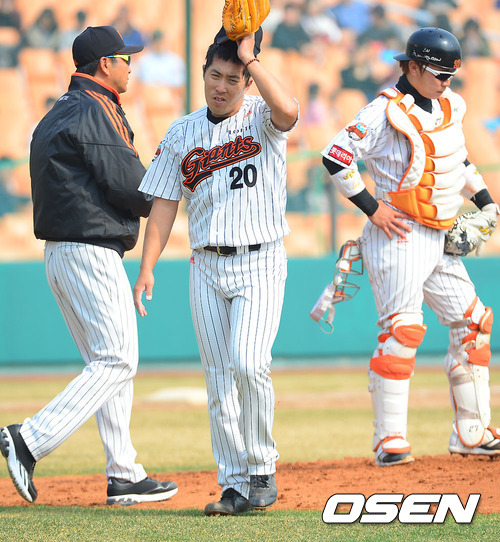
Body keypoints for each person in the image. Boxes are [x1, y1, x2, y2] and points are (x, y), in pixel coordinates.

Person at [0, 25, 178, 506]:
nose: (130, 66)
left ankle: (124, 474)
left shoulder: (60, 109)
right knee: (118, 360)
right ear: (105, 64)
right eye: (125, 58)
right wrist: (171, 186)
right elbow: (132, 187)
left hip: (64, 252)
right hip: (89, 250)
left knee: (107, 362)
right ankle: (28, 439)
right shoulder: (94, 108)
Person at [133, 27, 298, 515]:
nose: (220, 86)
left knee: (249, 362)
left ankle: (261, 467)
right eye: (214, 75)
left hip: (260, 258)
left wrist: (252, 59)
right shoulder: (181, 132)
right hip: (205, 264)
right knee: (219, 379)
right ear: (203, 73)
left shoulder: (261, 115)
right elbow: (164, 203)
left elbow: (290, 111)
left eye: (232, 77)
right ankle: (234, 483)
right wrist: (146, 267)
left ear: (246, 81)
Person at [321, 27, 500, 467]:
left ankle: (472, 432)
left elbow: (456, 160)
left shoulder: (450, 104)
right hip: (398, 232)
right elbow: (335, 155)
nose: (446, 82)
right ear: (414, 67)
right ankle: (390, 440)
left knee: (474, 323)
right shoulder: (383, 112)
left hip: (439, 234)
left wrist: (486, 202)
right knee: (403, 330)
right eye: (439, 74)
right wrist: (372, 209)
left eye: (451, 75)